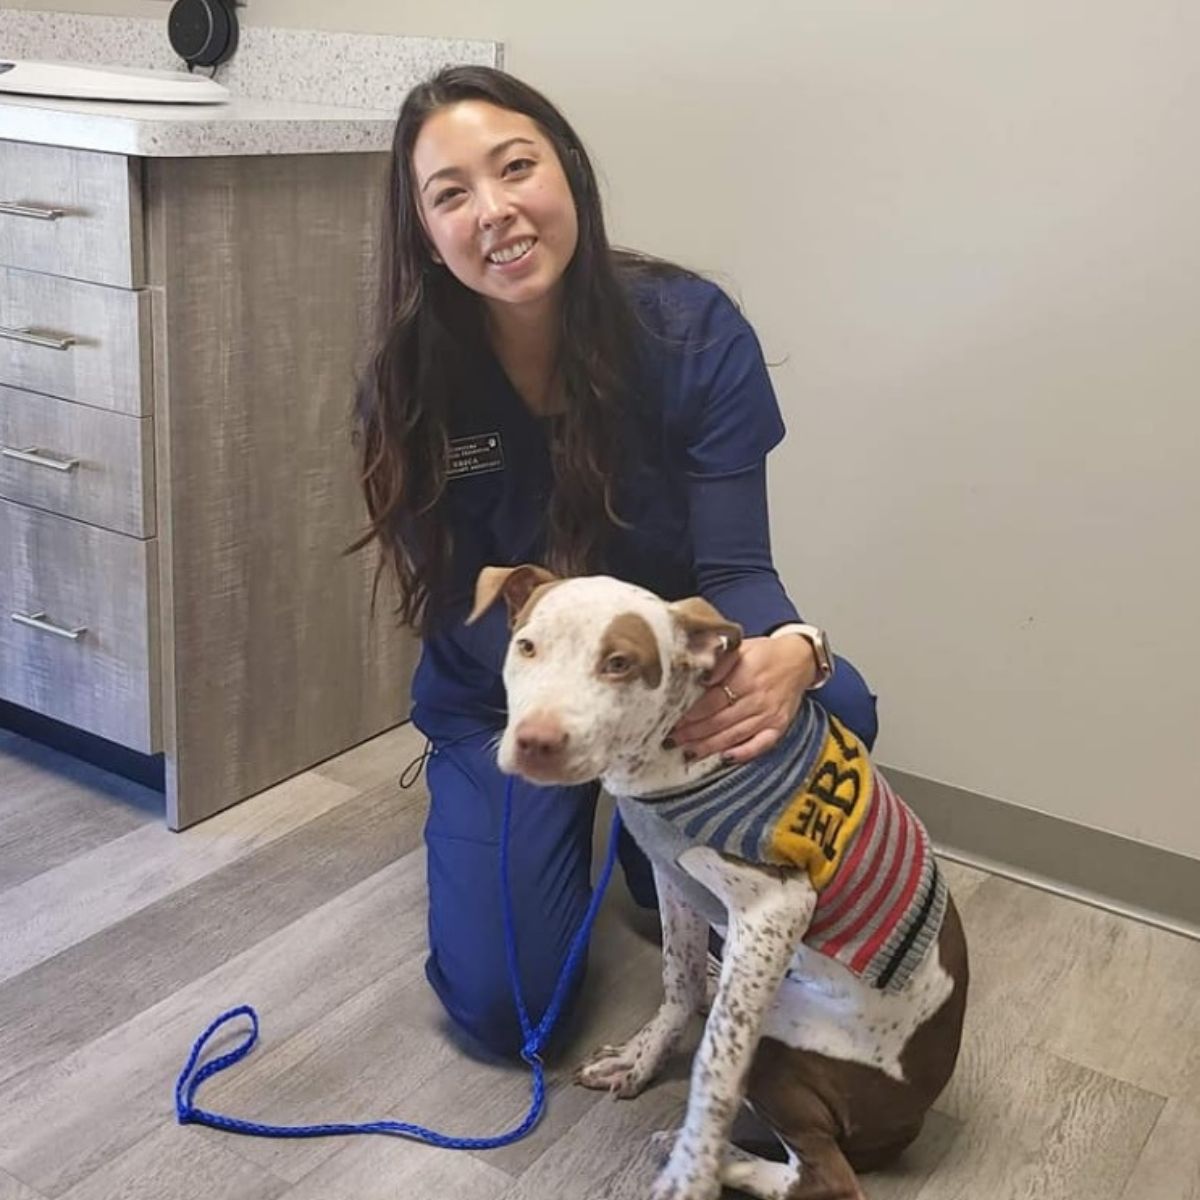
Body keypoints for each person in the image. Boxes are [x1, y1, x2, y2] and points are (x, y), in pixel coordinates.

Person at [354, 65, 878, 1059]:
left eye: (516, 168)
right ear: (424, 234)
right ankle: (534, 820)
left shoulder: (691, 333)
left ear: (572, 177)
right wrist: (563, 716)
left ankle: (648, 839)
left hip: (663, 688)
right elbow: (463, 627)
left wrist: (795, 649)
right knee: (509, 1016)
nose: (495, 211)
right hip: (506, 702)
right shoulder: (413, 384)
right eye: (451, 194)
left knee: (841, 711)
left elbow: (736, 568)